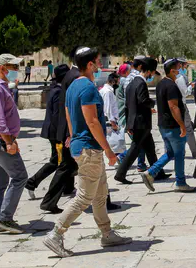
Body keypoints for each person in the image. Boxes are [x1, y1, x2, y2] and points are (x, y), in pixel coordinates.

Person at [43, 48, 131, 257]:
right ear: (90, 65)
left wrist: (73, 136)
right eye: (98, 62)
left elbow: (67, 112)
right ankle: (55, 234)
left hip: (81, 145)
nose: (100, 66)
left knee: (100, 194)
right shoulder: (89, 88)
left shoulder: (73, 85)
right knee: (84, 196)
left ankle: (107, 233)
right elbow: (92, 121)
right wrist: (109, 152)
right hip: (90, 148)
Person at [0, 53, 29, 233]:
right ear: (2, 68)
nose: (16, 71)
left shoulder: (1, 87)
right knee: (20, 177)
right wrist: (9, 142)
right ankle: (4, 218)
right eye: (14, 67)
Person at [141, 59, 196, 193]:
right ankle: (181, 182)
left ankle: (150, 172)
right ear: (172, 70)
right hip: (173, 126)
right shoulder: (171, 86)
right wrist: (182, 125)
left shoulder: (161, 84)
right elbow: (173, 106)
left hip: (163, 125)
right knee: (179, 154)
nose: (180, 70)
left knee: (171, 152)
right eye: (179, 68)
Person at [26, 64, 76, 213]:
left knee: (64, 161)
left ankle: (67, 188)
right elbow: (57, 116)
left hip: (55, 132)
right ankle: (32, 182)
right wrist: (62, 136)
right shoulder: (58, 91)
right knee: (59, 162)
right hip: (56, 133)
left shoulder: (57, 89)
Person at [115, 58, 167, 184]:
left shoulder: (132, 83)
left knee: (150, 148)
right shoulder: (141, 83)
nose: (152, 76)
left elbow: (128, 104)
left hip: (136, 121)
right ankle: (120, 174)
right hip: (141, 122)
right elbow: (143, 100)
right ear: (148, 71)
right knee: (134, 149)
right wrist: (153, 102)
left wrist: (128, 122)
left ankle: (157, 172)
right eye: (153, 73)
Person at [175, 59, 196, 158]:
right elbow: (185, 92)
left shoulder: (172, 77)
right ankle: (195, 152)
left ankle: (176, 151)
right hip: (181, 105)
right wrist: (191, 87)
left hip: (176, 105)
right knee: (188, 129)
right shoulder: (180, 77)